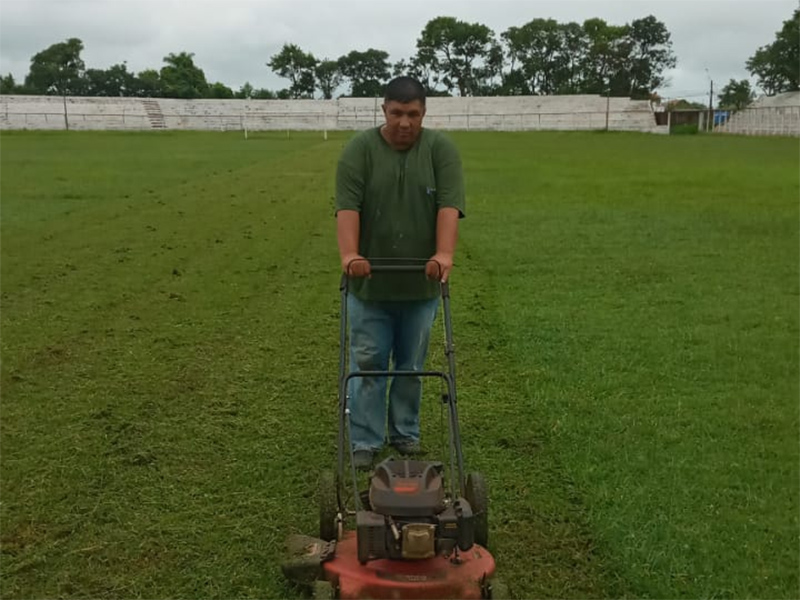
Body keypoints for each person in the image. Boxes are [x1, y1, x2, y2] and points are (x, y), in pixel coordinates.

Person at [334, 76, 466, 470]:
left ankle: (404, 432)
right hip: (369, 285)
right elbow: (347, 208)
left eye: (412, 114)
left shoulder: (441, 151)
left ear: (424, 113)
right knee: (369, 362)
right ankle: (365, 439)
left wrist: (443, 253)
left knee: (412, 365)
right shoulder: (359, 151)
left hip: (420, 285)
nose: (404, 122)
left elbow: (448, 206)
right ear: (384, 111)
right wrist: (351, 254)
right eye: (396, 113)